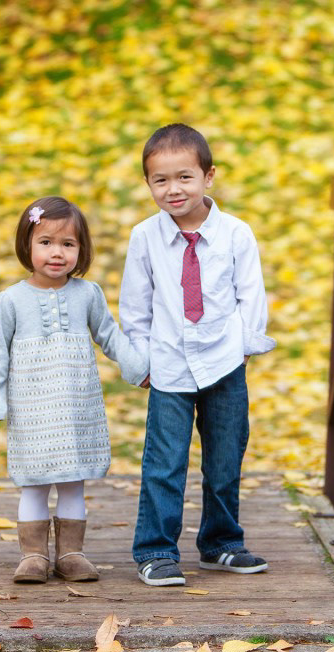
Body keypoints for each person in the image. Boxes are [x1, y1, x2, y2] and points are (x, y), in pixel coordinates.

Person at [120, 123, 276, 586]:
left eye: (184, 177)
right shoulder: (144, 237)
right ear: (148, 184)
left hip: (224, 361)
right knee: (165, 462)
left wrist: (245, 347)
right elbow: (135, 306)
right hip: (169, 363)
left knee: (225, 458)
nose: (173, 189)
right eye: (160, 180)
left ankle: (221, 542)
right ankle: (155, 550)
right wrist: (141, 360)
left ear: (209, 176)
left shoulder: (236, 234)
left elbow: (251, 294)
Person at [0, 196, 148, 584]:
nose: (57, 253)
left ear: (81, 250)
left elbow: (109, 335)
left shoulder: (88, 294)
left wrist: (138, 368)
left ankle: (71, 553)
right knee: (34, 483)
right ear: (27, 245)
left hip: (76, 408)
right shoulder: (11, 300)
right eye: (46, 242)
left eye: (68, 244)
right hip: (32, 409)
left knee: (73, 481)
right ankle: (34, 555)